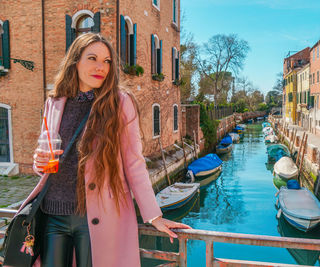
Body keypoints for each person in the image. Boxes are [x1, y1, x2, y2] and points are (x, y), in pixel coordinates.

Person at [19, 33, 191, 267]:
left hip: (94, 217)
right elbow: (46, 155)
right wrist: (39, 163)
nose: (101, 67)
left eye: (107, 61)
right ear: (75, 61)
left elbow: (134, 163)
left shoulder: (120, 103)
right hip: (52, 215)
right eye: (92, 58)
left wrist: (154, 216)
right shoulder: (55, 102)